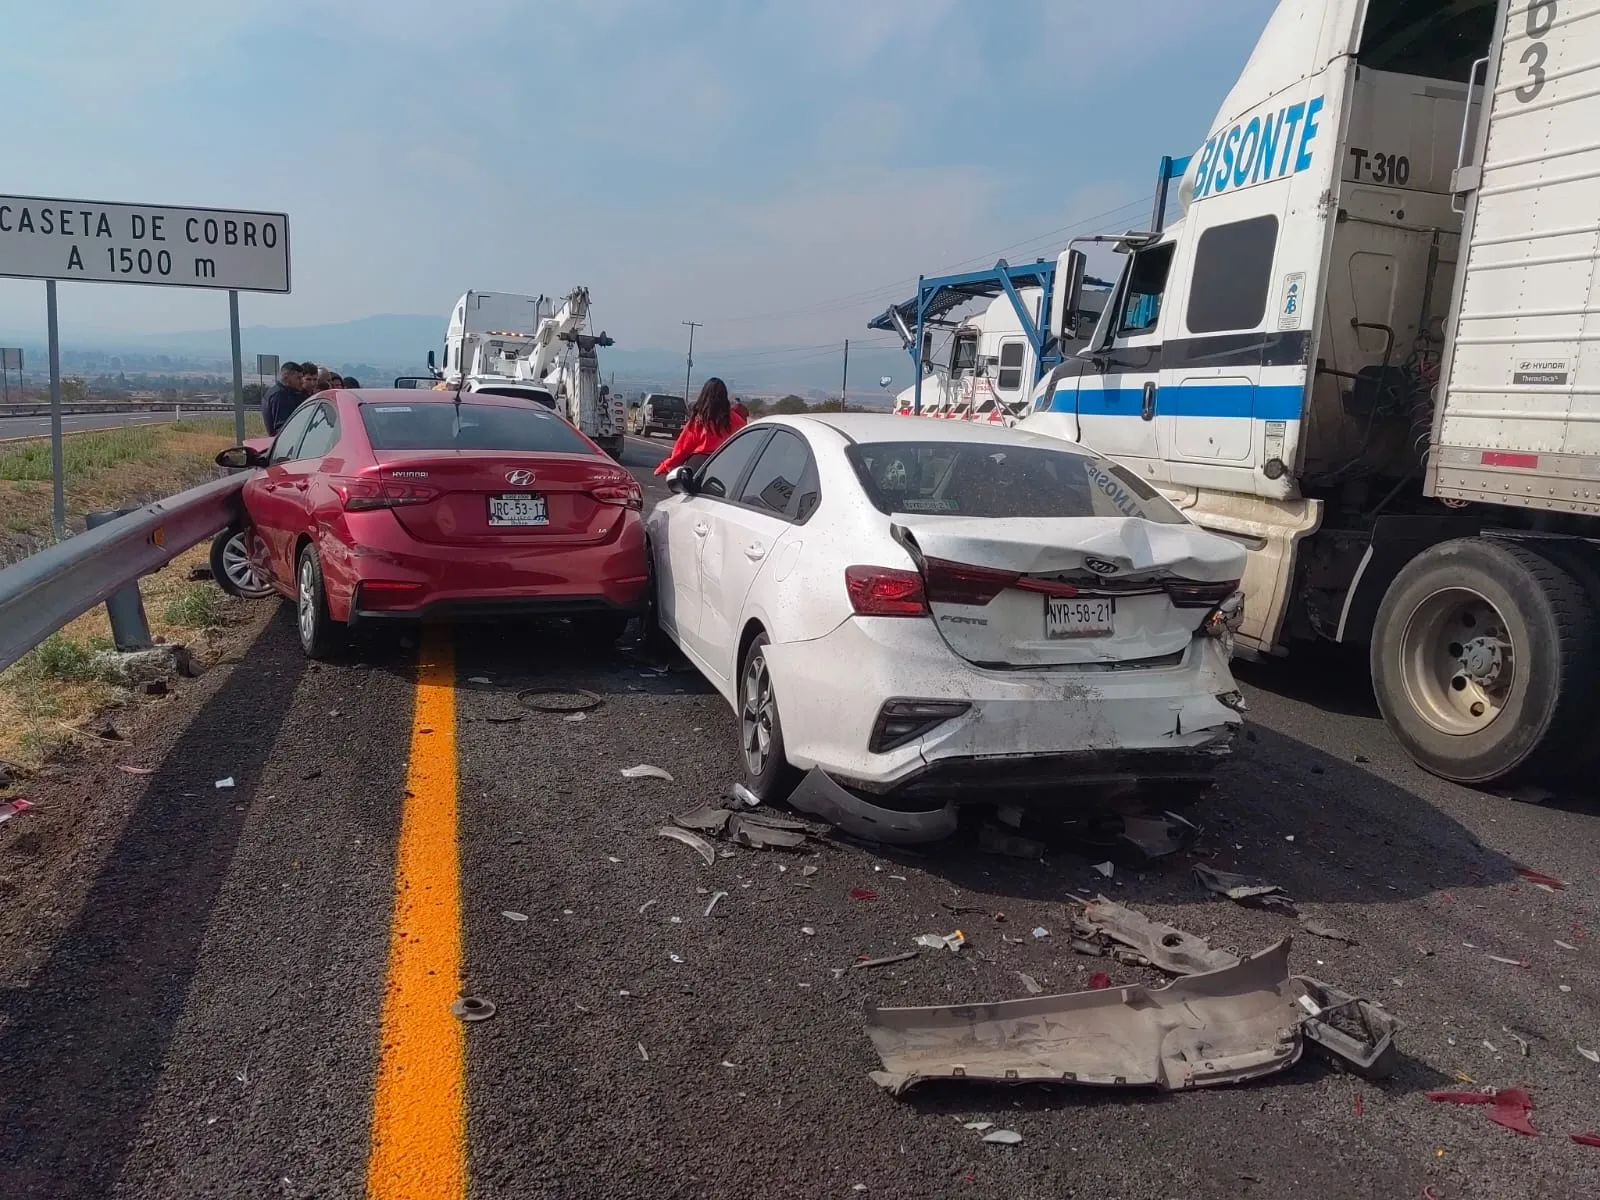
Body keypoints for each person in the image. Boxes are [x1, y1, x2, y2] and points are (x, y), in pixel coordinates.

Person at [656, 377, 745, 476]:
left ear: (704, 395)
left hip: (700, 465)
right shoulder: (738, 420)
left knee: (684, 485)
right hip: (729, 467)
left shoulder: (700, 420)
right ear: (724, 396)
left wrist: (665, 466)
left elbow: (684, 448)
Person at [261, 362, 308, 436]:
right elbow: (282, 428)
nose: (302, 381)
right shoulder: (280, 396)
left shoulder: (283, 392)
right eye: (298, 378)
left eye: (302, 377)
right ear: (286, 378)